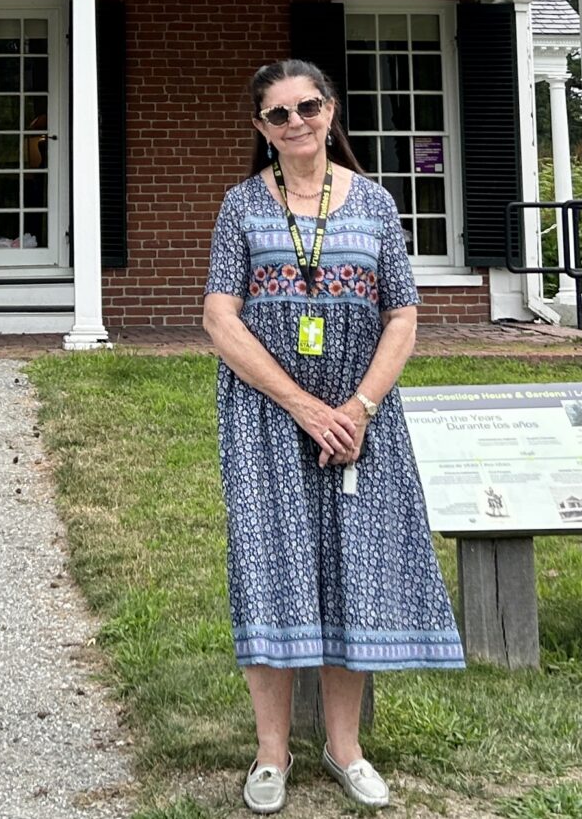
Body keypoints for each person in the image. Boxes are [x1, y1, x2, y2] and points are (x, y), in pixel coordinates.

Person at [202, 58, 463, 813]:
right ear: (261, 129)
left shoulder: (377, 204)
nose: (295, 123)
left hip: (361, 417)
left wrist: (356, 408)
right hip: (265, 415)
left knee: (353, 568)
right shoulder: (241, 206)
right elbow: (221, 318)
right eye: (277, 114)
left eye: (306, 107)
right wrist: (305, 407)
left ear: (330, 109)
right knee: (272, 567)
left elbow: (403, 316)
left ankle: (345, 747)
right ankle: (271, 753)